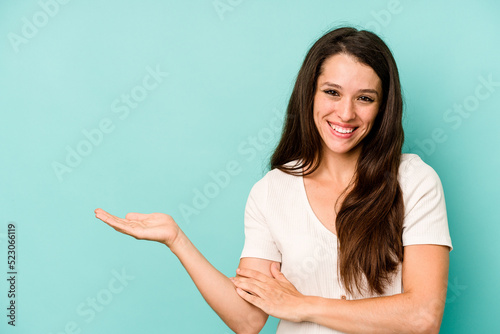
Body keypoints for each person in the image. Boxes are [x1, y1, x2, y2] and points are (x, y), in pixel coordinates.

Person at [95, 27, 452, 333]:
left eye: (364, 98)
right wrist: (177, 240)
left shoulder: (414, 182)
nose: (346, 112)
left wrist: (303, 306)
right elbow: (248, 320)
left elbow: (423, 317)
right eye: (332, 92)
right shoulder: (272, 191)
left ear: (383, 107)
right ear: (309, 93)